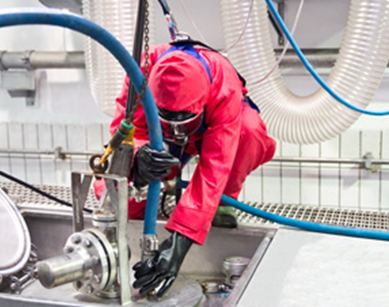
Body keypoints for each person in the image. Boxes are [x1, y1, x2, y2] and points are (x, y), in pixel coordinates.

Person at [95, 41, 276, 297]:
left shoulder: (222, 80)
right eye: (169, 119)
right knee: (113, 191)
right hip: (159, 140)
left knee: (249, 131)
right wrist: (137, 161)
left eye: (182, 121)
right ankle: (158, 186)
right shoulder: (140, 71)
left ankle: (224, 201)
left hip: (211, 134)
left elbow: (216, 166)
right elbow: (123, 132)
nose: (177, 128)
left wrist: (178, 245)